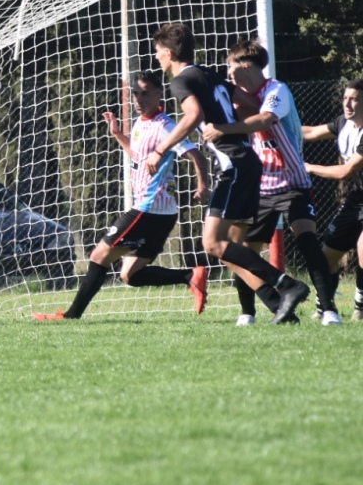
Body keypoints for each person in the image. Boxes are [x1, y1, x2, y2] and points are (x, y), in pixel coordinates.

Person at [147, 23, 310, 323]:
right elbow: (249, 103)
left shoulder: (182, 81)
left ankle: (289, 286)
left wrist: (161, 149)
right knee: (229, 248)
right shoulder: (210, 74)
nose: (157, 58)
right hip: (246, 163)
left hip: (235, 166)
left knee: (213, 244)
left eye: (158, 53)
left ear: (169, 53)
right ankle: (280, 308)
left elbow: (193, 114)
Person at [33, 70, 212, 321]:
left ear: (160, 93)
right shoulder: (140, 123)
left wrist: (202, 185)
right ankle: (189, 276)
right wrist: (119, 135)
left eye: (145, 94)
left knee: (98, 256)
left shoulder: (166, 127)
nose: (138, 100)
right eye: (135, 94)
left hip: (148, 209)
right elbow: (138, 156)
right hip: (161, 213)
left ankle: (71, 315)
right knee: (130, 275)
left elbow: (197, 155)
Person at [202, 41, 340, 325]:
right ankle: (247, 312)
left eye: (230, 66)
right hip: (259, 187)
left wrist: (223, 129)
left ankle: (328, 310)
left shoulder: (277, 90)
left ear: (245, 66)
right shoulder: (239, 97)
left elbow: (265, 120)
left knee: (307, 241)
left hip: (292, 182)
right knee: (244, 251)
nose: (228, 73)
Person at [301, 78, 363, 320]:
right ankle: (324, 306)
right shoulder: (343, 124)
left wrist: (308, 167)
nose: (347, 104)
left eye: (354, 99)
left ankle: (360, 306)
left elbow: (344, 171)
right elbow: (312, 132)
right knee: (327, 256)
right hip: (356, 198)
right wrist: (279, 125)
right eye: (345, 98)